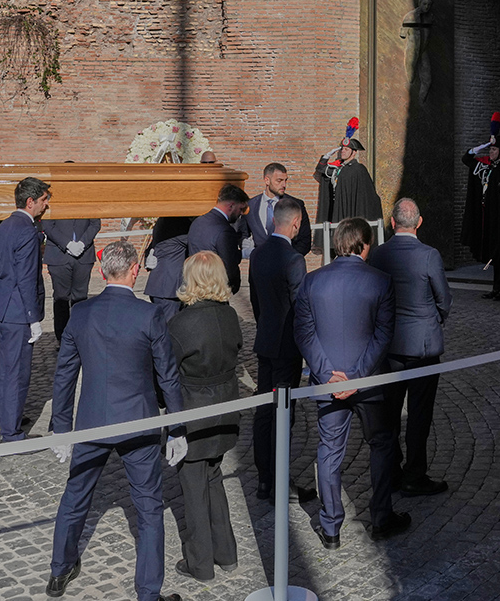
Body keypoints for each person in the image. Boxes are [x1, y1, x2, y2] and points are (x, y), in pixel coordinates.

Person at [46, 239, 188, 601]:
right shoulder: (149, 315)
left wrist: (61, 428)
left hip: (92, 420)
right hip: (138, 422)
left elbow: (64, 376)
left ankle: (59, 570)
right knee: (149, 508)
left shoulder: (81, 314)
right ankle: (148, 592)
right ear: (135, 270)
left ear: (100, 270)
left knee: (75, 496)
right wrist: (177, 428)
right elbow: (168, 376)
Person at [293, 217, 406, 549]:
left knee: (329, 450)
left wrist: (328, 374)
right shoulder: (381, 281)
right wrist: (355, 377)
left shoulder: (312, 281)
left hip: (328, 380)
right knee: (381, 444)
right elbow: (384, 334)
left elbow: (303, 333)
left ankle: (331, 527)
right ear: (366, 245)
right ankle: (381, 517)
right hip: (368, 382)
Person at [367, 198, 452, 496]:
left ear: (392, 223)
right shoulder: (429, 255)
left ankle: (391, 471)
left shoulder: (379, 254)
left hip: (389, 346)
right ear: (419, 222)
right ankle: (415, 474)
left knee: (390, 413)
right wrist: (433, 320)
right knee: (419, 414)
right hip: (422, 347)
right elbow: (444, 299)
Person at [168, 252, 242, 582]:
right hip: (225, 406)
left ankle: (200, 563)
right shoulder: (230, 315)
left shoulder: (181, 323)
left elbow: (166, 371)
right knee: (213, 475)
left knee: (194, 483)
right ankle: (226, 553)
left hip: (194, 410)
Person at [248, 196, 317, 503]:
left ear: (274, 220)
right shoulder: (294, 260)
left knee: (264, 412)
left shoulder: (257, 254)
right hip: (286, 348)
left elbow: (256, 302)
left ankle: (265, 480)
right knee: (283, 415)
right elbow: (301, 309)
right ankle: (280, 483)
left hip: (265, 341)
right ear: (296, 224)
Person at [0, 176, 51, 442]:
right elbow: (26, 277)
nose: (46, 205)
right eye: (44, 200)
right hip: (16, 312)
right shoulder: (27, 230)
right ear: (30, 201)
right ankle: (10, 433)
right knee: (16, 373)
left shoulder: (6, 224)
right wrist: (32, 318)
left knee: (2, 367)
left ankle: (2, 414)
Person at [461, 127, 500, 299]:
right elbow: (466, 159)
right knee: (494, 254)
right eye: (490, 149)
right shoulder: (488, 166)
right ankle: (496, 288)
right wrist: (482, 146)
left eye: (494, 149)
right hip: (489, 217)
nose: (491, 152)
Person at [43, 210, 101, 343]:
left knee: (80, 297)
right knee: (61, 297)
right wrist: (67, 244)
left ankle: (80, 335)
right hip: (58, 255)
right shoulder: (52, 201)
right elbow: (48, 225)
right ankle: (62, 337)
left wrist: (82, 243)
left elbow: (95, 224)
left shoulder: (87, 201)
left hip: (84, 254)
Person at [313, 137, 383, 234]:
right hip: (339, 208)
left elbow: (366, 195)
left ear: (354, 153)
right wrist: (327, 156)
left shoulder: (359, 169)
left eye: (346, 149)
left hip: (352, 209)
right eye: (342, 149)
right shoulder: (339, 169)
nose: (343, 151)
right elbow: (321, 168)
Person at [186, 184, 247, 296]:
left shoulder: (197, 222)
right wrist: (232, 287)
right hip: (215, 290)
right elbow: (229, 265)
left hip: (196, 285)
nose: (241, 213)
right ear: (231, 206)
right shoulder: (225, 230)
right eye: (240, 209)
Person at [245, 163, 312, 257]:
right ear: (267, 180)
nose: (284, 185)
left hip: (288, 262)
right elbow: (243, 234)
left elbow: (305, 239)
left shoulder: (296, 205)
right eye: (279, 181)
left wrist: (289, 258)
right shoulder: (251, 205)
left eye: (285, 180)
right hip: (259, 262)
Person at [144, 215, 192, 321]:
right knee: (169, 324)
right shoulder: (177, 223)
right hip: (169, 288)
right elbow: (196, 241)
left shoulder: (163, 220)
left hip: (161, 285)